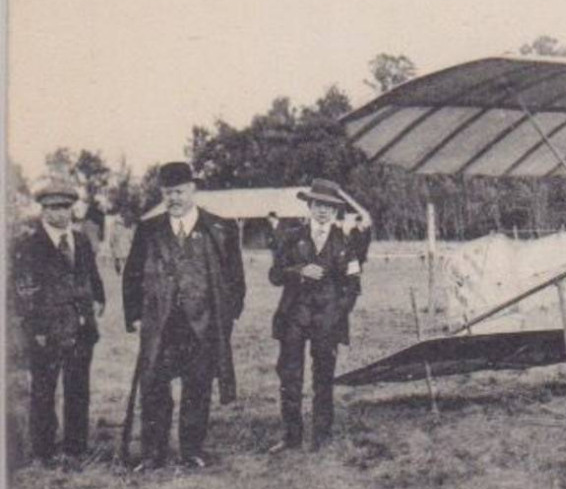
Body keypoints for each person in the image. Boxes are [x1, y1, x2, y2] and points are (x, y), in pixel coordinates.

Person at [123, 162, 246, 469]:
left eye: (179, 191)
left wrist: (226, 317)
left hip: (202, 325)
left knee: (198, 387)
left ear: (193, 189)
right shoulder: (149, 229)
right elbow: (132, 274)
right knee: (154, 388)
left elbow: (236, 279)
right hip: (162, 325)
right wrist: (135, 316)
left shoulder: (219, 228)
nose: (173, 198)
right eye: (167, 193)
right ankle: (153, 453)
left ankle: (192, 449)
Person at [12, 177, 105, 463]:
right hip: (46, 330)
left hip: (80, 327)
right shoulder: (29, 245)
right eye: (51, 208)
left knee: (78, 387)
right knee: (44, 390)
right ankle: (44, 450)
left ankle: (76, 447)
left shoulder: (80, 240)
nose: (59, 213)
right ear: (42, 210)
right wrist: (36, 327)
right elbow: (23, 290)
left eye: (65, 207)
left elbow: (91, 275)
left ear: (72, 209)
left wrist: (100, 299)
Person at [267, 179, 365, 453]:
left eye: (330, 208)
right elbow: (275, 275)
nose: (323, 212)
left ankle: (321, 436)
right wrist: (298, 270)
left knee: (323, 378)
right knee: (290, 377)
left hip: (328, 320)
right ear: (310, 206)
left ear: (336, 212)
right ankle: (291, 437)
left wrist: (337, 313)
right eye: (318, 205)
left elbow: (353, 286)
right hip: (294, 317)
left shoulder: (346, 242)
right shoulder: (291, 236)